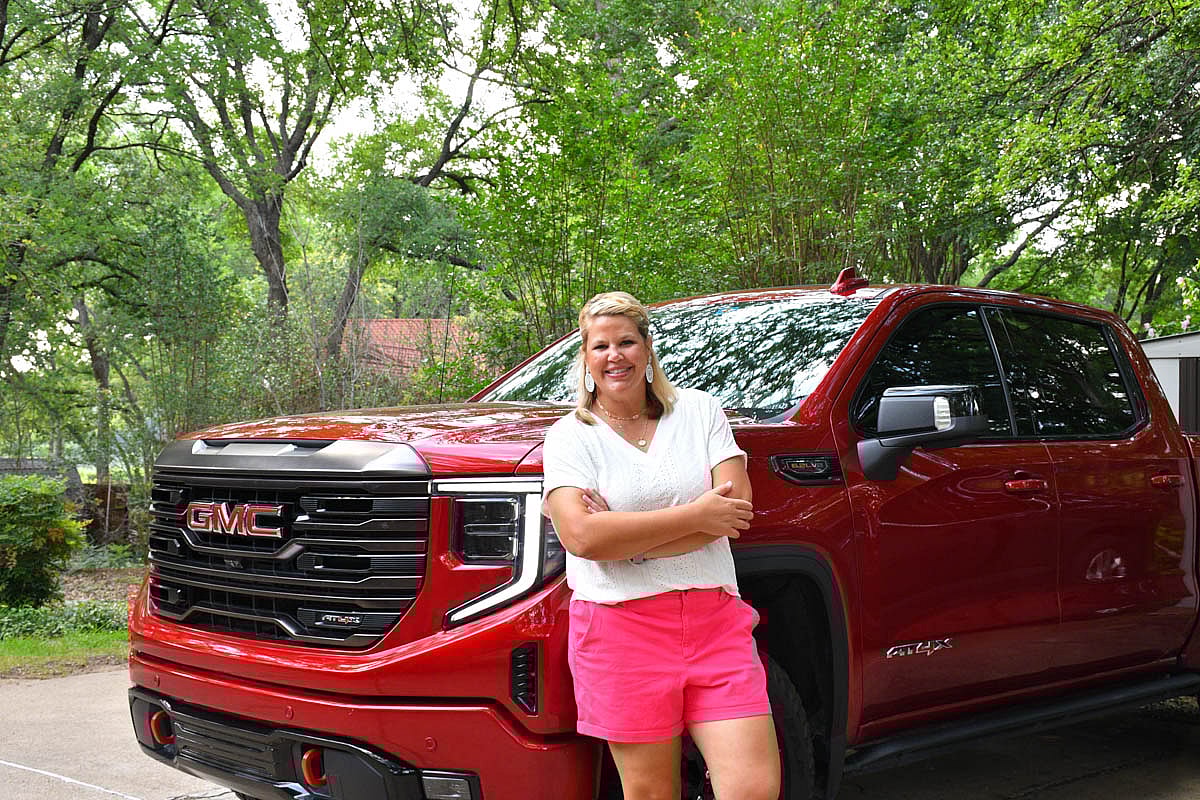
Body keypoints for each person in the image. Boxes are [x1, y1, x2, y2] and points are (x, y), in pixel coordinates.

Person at [542, 291, 780, 800]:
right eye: (600, 345)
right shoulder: (570, 437)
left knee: (754, 788)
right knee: (651, 793)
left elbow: (734, 511)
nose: (615, 356)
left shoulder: (699, 411)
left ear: (647, 348)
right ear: (586, 357)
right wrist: (695, 516)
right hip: (619, 629)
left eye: (626, 342)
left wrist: (626, 540)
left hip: (716, 620)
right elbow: (581, 536)